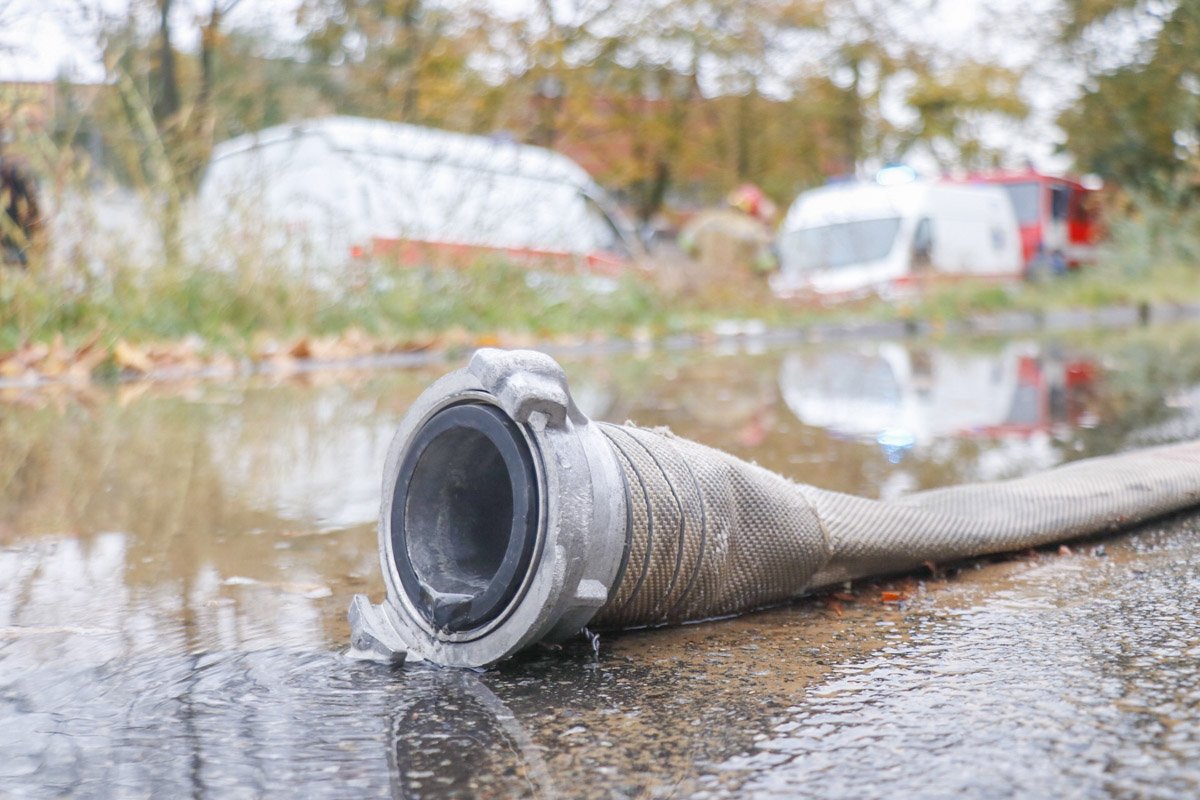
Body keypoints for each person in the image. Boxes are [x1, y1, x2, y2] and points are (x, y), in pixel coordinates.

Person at [677, 184, 778, 286]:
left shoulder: (707, 218)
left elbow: (685, 244)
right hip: (735, 289)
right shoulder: (755, 229)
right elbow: (765, 264)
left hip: (701, 282)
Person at [0, 129, 42, 268]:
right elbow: (34, 206)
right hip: (17, 238)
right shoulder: (23, 171)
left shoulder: (22, 172)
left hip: (17, 237)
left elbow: (33, 206)